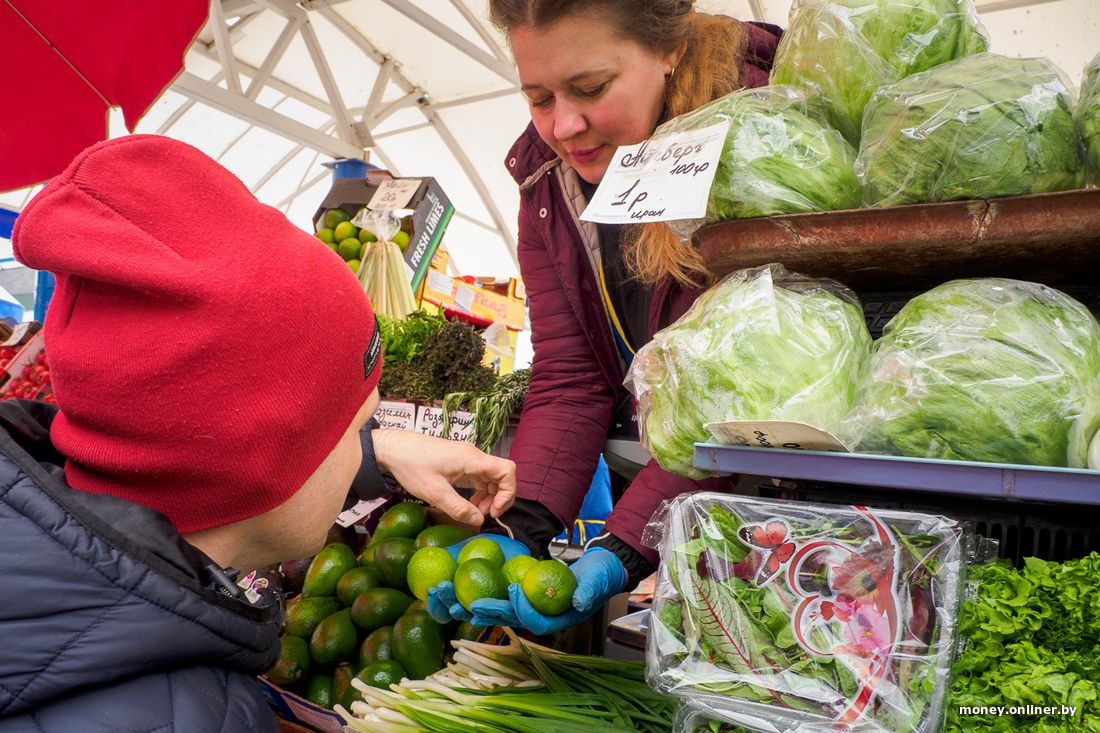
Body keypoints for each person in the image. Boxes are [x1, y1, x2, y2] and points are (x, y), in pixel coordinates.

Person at [0, 135, 515, 733]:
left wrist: (377, 450)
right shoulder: (203, 716)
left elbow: (252, 446)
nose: (359, 456)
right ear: (259, 466)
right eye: (356, 430)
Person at [428, 0, 781, 634]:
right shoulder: (546, 184)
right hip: (691, 492)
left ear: (668, 50)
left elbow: (747, 391)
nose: (562, 126)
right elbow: (572, 371)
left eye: (590, 88)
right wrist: (525, 520)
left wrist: (623, 546)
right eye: (537, 97)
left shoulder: (766, 140)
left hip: (793, 510)